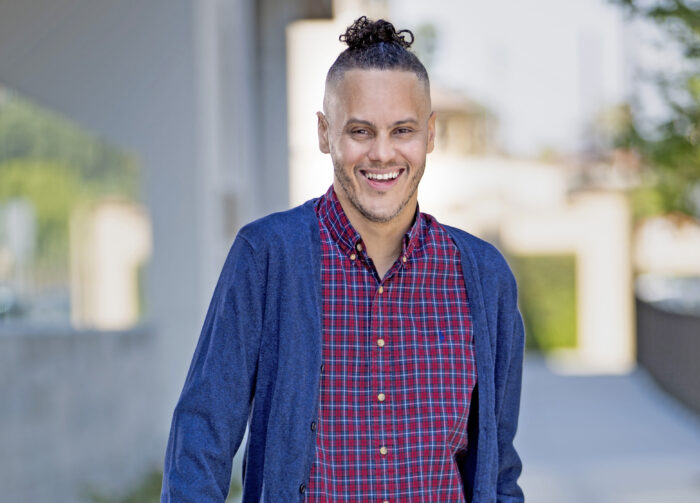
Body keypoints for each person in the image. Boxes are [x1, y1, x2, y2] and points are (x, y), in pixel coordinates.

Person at [161, 16, 525, 503]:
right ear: (324, 132)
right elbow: (200, 442)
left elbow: (498, 472)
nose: (382, 153)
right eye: (360, 130)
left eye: (402, 130)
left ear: (430, 134)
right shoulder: (268, 258)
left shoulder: (482, 277)